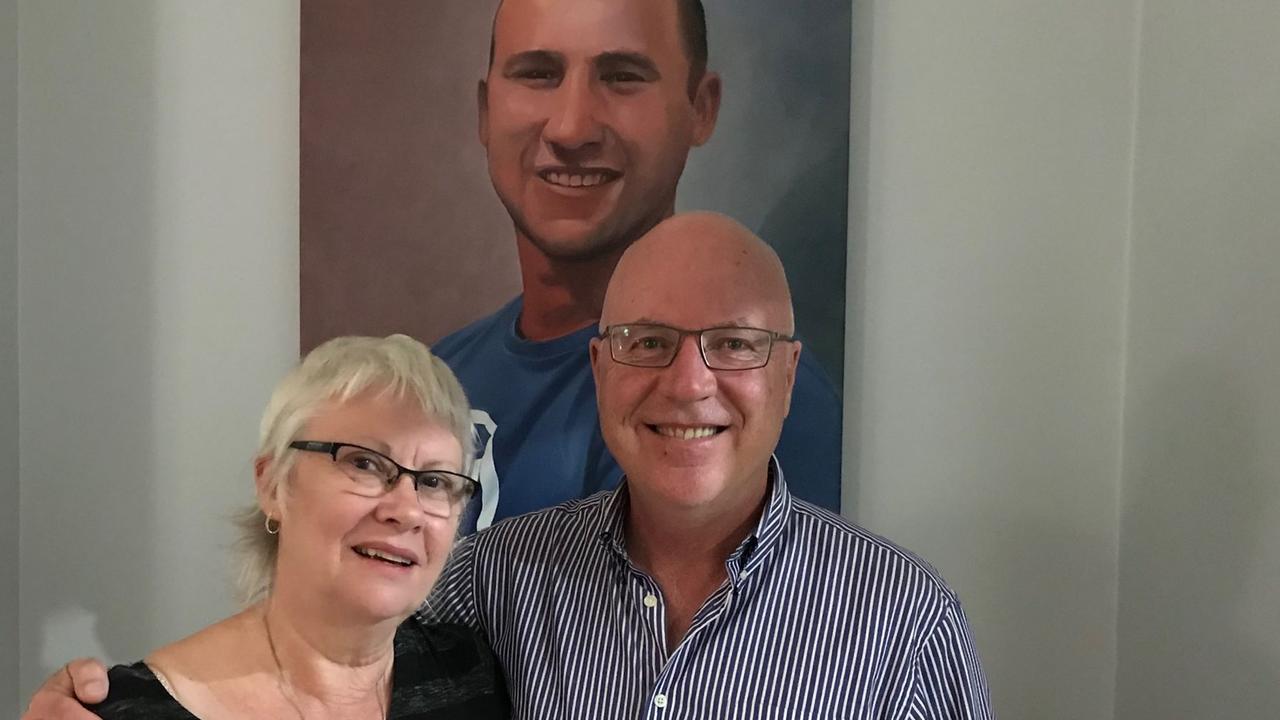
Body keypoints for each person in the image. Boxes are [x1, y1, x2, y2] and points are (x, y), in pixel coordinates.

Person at [22, 214, 989, 718]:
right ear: (601, 367)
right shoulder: (490, 585)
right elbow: (321, 644)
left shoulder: (902, 623)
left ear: (788, 373)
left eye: (734, 344)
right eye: (647, 340)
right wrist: (112, 700)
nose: (690, 383)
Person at [435, 0, 844, 533]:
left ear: (701, 108)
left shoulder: (748, 404)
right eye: (538, 75)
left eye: (622, 77)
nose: (570, 128)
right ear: (487, 111)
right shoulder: (437, 376)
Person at [29, 335, 511, 719]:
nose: (405, 510)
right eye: (364, 463)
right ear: (273, 483)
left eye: (433, 481)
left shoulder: (470, 677)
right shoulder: (125, 711)